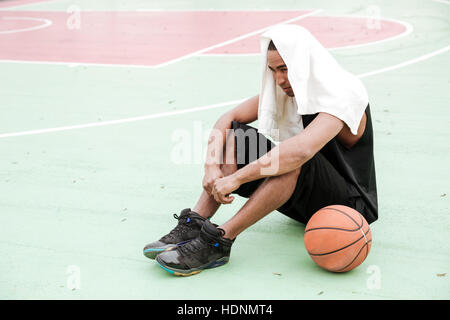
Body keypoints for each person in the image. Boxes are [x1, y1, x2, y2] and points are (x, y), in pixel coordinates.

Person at [143, 24, 378, 276]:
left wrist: (236, 179)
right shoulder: (288, 91)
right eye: (273, 70)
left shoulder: (344, 91)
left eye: (285, 69)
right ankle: (197, 221)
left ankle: (220, 241)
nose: (279, 79)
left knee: (293, 158)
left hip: (348, 208)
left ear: (305, 63)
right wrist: (211, 167)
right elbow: (229, 117)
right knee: (236, 133)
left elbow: (301, 151)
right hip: (307, 201)